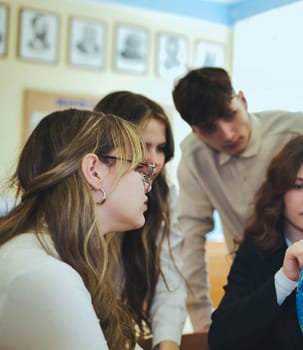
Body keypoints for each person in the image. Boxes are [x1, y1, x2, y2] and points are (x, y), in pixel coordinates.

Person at [172, 66, 303, 330]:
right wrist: (202, 320)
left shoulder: (294, 129)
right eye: (209, 128)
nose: (226, 134)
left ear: (243, 100)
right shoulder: (194, 157)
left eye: (230, 115)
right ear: (195, 131)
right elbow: (189, 239)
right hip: (250, 276)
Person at [0, 109, 151, 349]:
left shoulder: (50, 256)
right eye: (138, 168)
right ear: (94, 171)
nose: (147, 184)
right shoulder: (45, 274)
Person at [208, 135, 303, 349]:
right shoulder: (256, 250)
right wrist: (284, 280)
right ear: (280, 192)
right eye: (299, 186)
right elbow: (220, 340)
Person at [94, 91, 187, 350]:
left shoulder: (163, 199)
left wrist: (166, 345)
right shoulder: (81, 208)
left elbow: (171, 282)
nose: (154, 161)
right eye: (144, 146)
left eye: (161, 149)